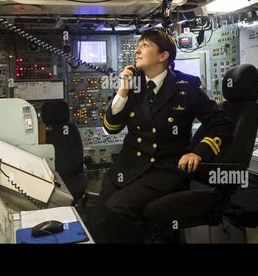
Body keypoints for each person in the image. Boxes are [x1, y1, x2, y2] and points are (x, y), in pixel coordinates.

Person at [88, 28, 233, 243]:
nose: (137, 50)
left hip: (164, 169)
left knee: (118, 208)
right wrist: (122, 92)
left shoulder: (187, 87)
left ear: (163, 56)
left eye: (145, 46)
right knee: (98, 223)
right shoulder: (132, 86)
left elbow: (221, 124)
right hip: (128, 167)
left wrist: (198, 153)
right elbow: (111, 127)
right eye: (138, 45)